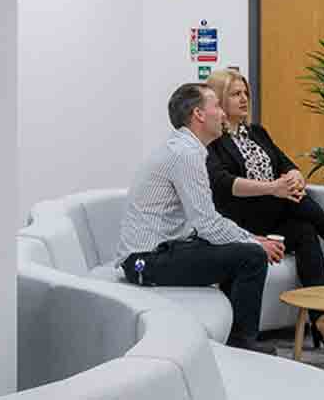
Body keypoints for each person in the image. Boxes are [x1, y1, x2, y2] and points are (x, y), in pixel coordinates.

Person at [204, 68, 324, 356]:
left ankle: (323, 320)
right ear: (219, 99)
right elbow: (223, 185)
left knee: (305, 230)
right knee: (295, 201)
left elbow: (285, 162)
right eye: (235, 94)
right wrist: (274, 188)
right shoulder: (214, 141)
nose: (244, 99)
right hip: (242, 219)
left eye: (246, 93)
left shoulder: (257, 132)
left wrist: (295, 177)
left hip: (275, 213)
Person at [115, 83, 283, 355]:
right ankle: (242, 344)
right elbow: (206, 222)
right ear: (199, 115)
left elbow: (205, 222)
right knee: (251, 257)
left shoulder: (185, 148)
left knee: (241, 250)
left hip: (158, 252)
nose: (223, 114)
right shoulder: (186, 154)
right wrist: (255, 243)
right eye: (216, 106)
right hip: (145, 261)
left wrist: (251, 239)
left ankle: (233, 339)